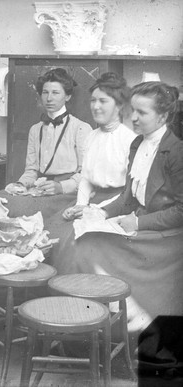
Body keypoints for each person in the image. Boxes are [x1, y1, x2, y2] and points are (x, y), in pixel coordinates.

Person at [55, 81, 183, 337]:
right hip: (141, 221)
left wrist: (138, 224)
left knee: (88, 247)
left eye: (142, 113)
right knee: (76, 239)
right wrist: (98, 213)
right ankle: (83, 325)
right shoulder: (138, 144)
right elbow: (129, 198)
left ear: (164, 115)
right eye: (132, 110)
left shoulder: (176, 152)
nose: (133, 118)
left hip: (166, 237)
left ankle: (119, 326)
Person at [0, 68, 92, 219]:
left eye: (55, 93)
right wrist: (21, 185)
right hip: (40, 188)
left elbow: (85, 173)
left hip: (68, 193)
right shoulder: (35, 129)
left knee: (22, 211)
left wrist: (61, 187)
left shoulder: (81, 128)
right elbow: (31, 170)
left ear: (67, 96)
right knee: (1, 199)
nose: (49, 98)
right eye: (45, 92)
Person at [61, 72, 136, 221]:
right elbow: (86, 178)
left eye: (103, 101)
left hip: (119, 205)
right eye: (93, 100)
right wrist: (80, 205)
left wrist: (95, 210)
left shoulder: (130, 140)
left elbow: (130, 193)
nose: (96, 106)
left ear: (119, 105)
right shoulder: (91, 137)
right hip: (93, 200)